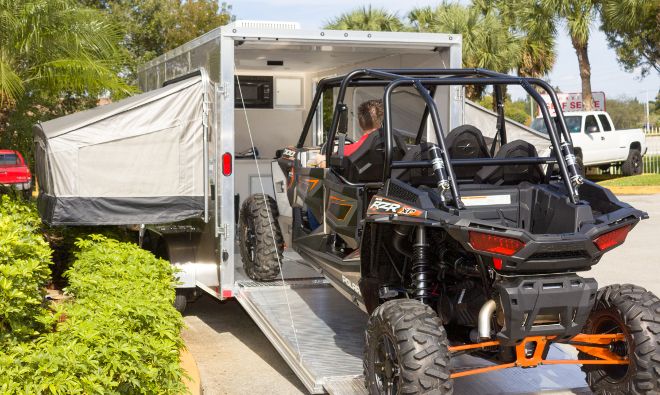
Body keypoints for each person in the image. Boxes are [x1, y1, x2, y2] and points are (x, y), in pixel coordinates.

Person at [309, 99, 384, 168]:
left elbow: (328, 166)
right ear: (381, 123)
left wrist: (319, 159)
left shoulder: (346, 151)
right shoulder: (389, 148)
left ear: (360, 123)